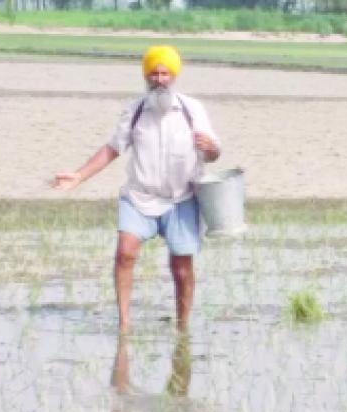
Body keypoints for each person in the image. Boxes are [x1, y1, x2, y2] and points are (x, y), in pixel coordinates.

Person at [51, 45, 221, 333]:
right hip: (139, 196)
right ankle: (124, 324)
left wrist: (212, 148)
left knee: (181, 268)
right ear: (146, 76)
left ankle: (182, 328)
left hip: (182, 199)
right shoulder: (135, 110)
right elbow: (112, 149)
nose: (159, 80)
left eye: (165, 74)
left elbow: (214, 153)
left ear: (174, 76)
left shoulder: (192, 110)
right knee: (125, 254)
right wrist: (79, 176)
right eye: (154, 74)